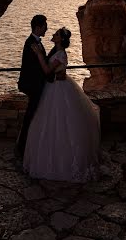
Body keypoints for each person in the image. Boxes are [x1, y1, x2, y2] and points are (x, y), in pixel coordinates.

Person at [23, 27, 101, 182]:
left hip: (58, 89)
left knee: (61, 122)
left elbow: (46, 70)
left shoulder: (60, 54)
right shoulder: (56, 52)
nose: (53, 34)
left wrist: (38, 54)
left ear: (61, 39)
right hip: (54, 87)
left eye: (57, 34)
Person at [16, 14, 50, 158]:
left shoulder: (36, 42)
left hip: (36, 84)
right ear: (38, 27)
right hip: (33, 85)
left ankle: (28, 144)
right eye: (45, 26)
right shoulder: (31, 43)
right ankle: (22, 147)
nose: (47, 29)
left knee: (33, 114)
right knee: (30, 115)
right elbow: (33, 68)